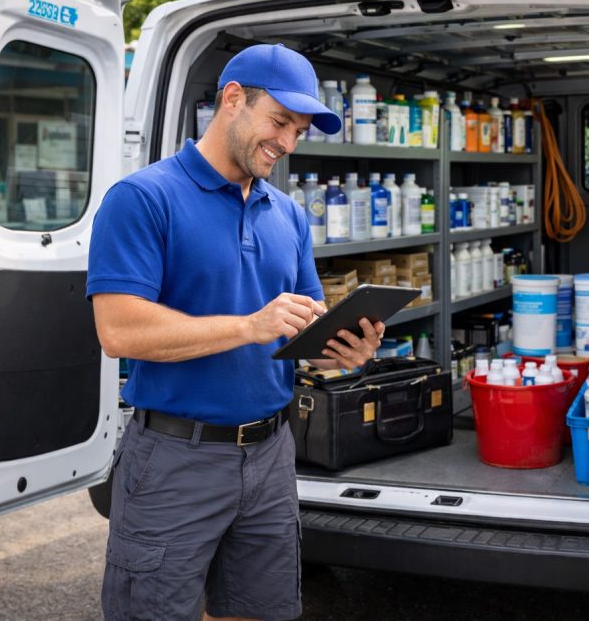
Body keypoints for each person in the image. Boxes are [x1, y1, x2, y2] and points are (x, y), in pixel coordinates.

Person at [87, 44, 384, 621]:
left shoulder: (288, 214)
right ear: (231, 100)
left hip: (272, 455)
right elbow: (118, 331)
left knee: (261, 612)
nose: (289, 143)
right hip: (176, 459)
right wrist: (249, 326)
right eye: (279, 122)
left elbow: (301, 332)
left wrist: (344, 351)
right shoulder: (143, 199)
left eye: (298, 130)